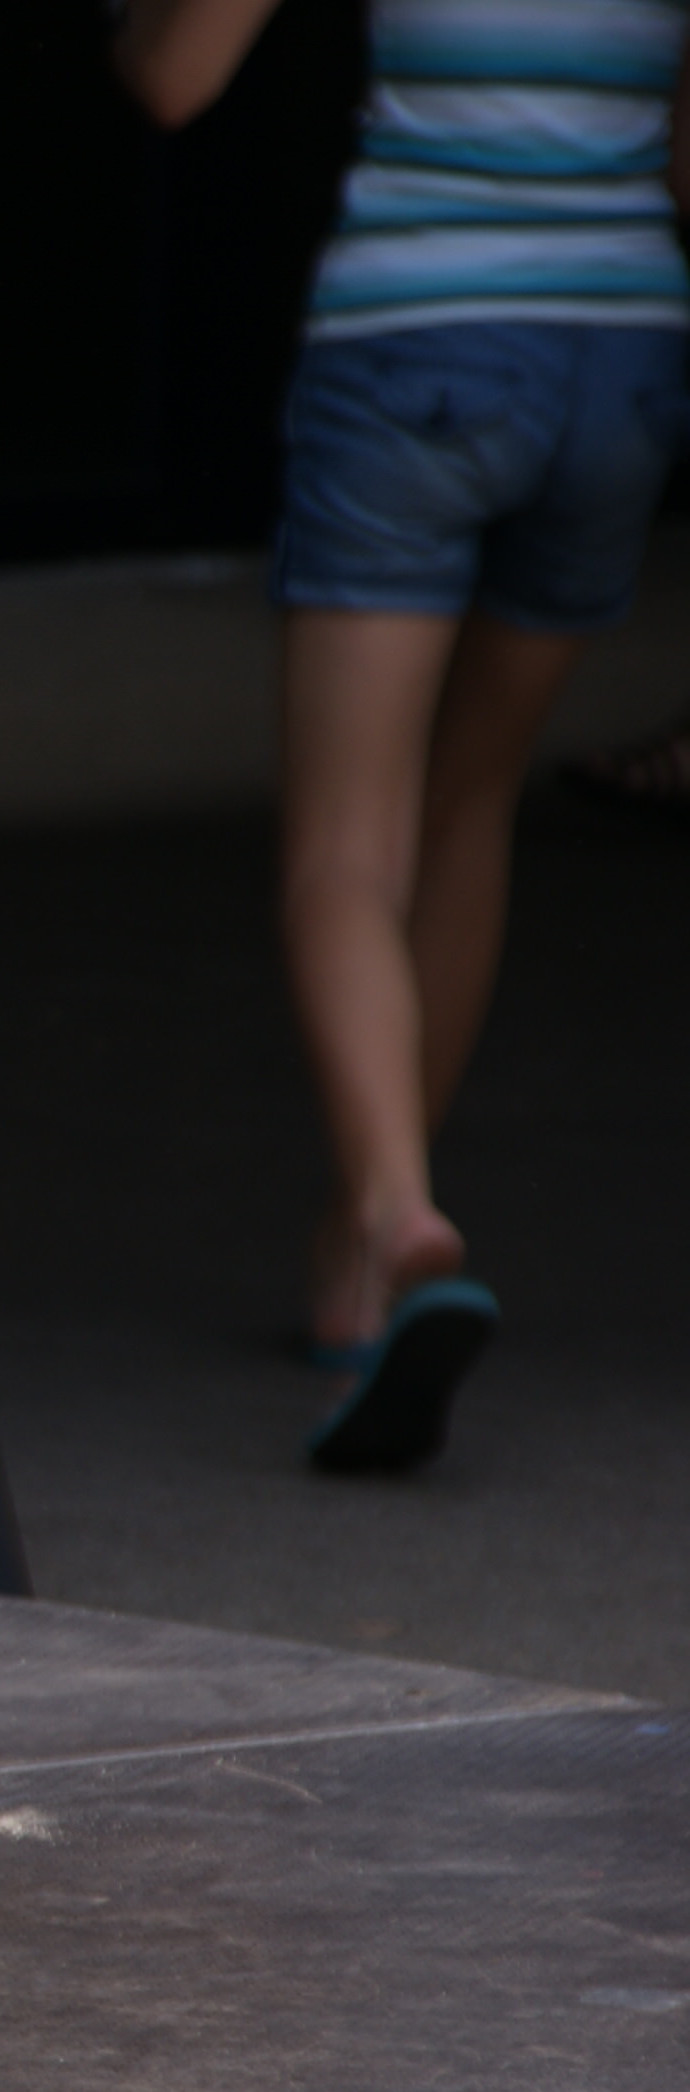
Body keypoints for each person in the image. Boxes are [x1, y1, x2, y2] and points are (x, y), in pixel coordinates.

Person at [117, 0, 687, 1472]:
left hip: (415, 350)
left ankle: (390, 1210)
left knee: (346, 850)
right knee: (470, 800)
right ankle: (358, 1247)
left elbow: (175, 77)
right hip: (622, 357)